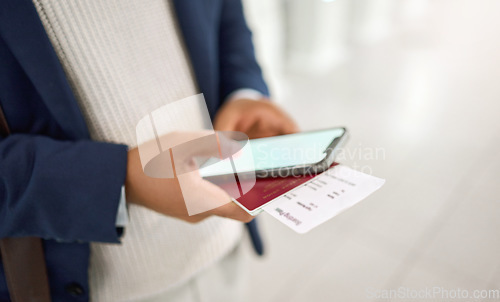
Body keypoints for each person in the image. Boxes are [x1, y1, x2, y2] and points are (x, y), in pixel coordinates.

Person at [0, 0, 298, 301]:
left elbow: (225, 13)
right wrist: (121, 178)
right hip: (94, 285)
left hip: (224, 252)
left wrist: (243, 92)